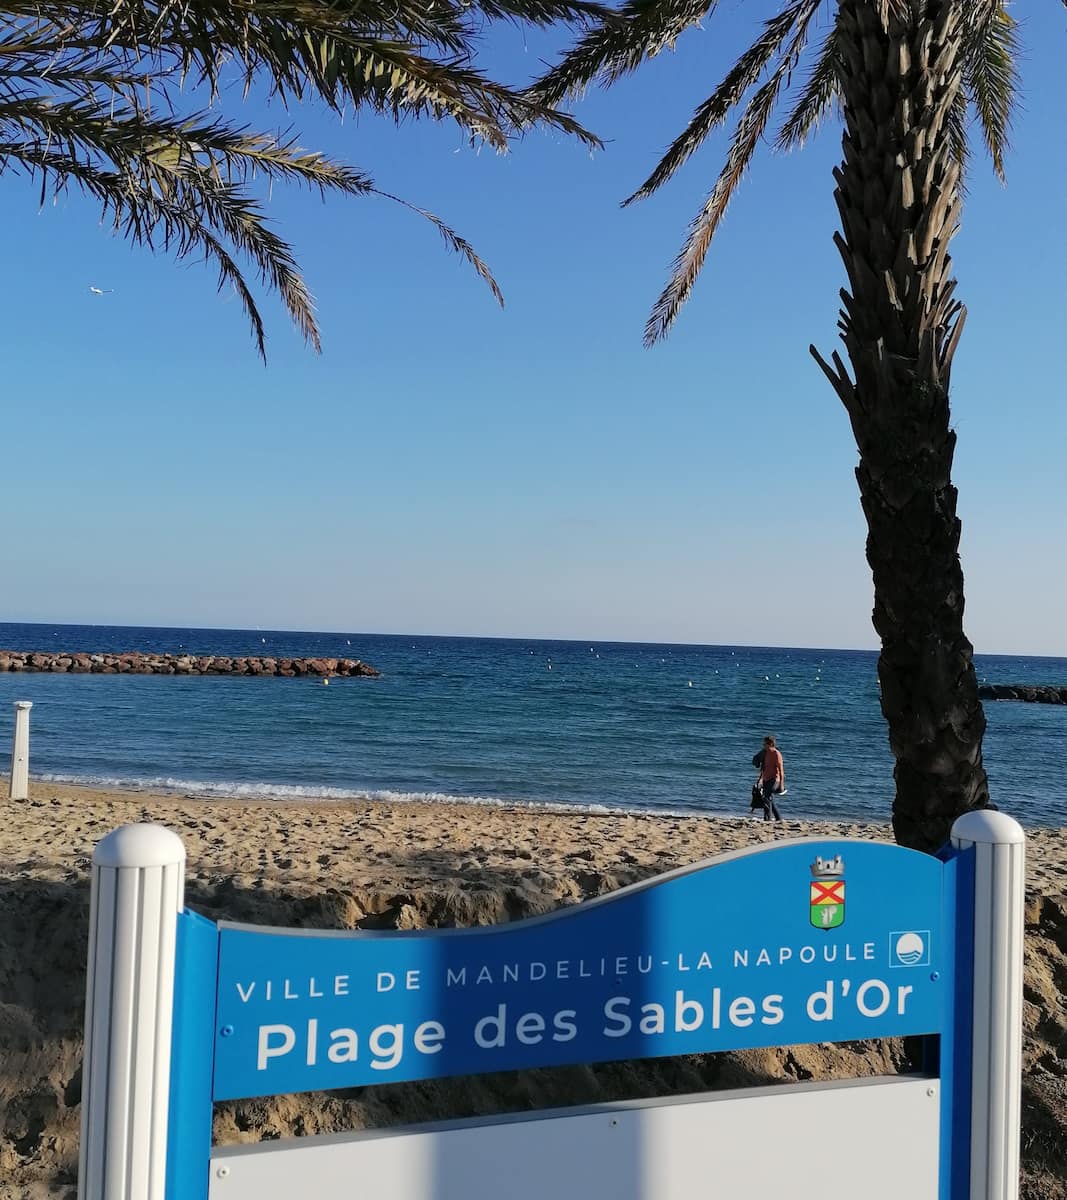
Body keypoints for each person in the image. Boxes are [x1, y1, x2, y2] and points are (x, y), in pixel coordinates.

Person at [751, 735, 785, 821]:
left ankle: (767, 819)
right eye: (763, 744)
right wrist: (760, 779)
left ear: (771, 744)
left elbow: (781, 770)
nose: (763, 746)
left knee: (766, 797)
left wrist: (781, 785)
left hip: (775, 779)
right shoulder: (764, 753)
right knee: (769, 799)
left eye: (765, 744)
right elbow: (763, 767)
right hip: (766, 779)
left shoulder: (776, 754)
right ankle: (779, 818)